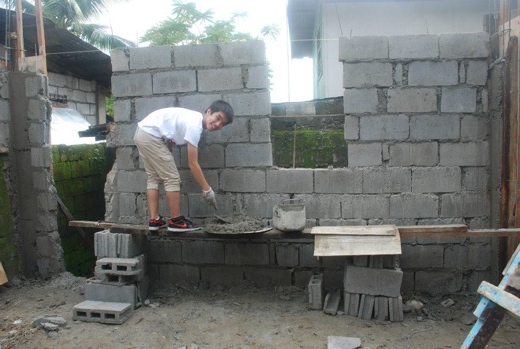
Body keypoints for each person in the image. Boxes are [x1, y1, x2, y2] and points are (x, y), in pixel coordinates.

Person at [133, 100, 234, 232]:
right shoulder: (195, 125)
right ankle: (176, 221)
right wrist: (207, 189)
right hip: (150, 135)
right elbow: (192, 163)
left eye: (223, 124)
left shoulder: (192, 119)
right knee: (172, 178)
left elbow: (170, 129)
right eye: (218, 118)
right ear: (209, 111)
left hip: (142, 133)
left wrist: (168, 145)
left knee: (153, 177)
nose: (218, 124)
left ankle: (155, 220)